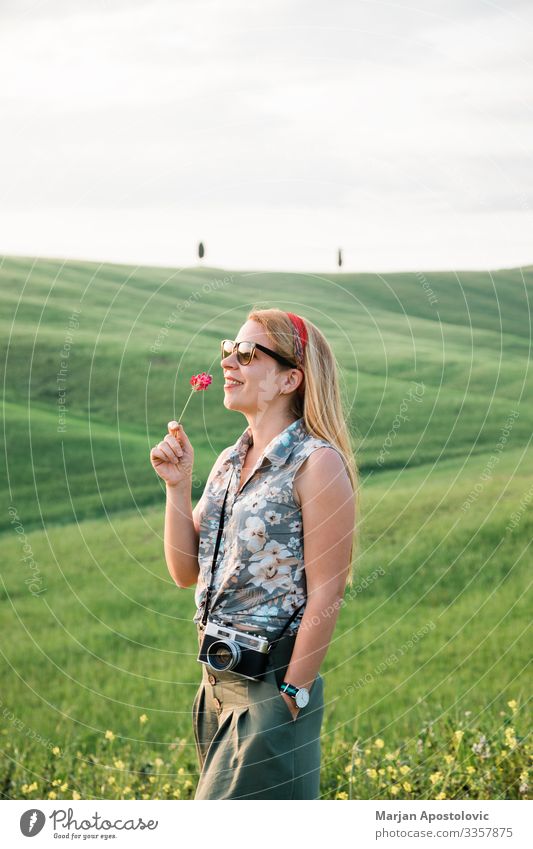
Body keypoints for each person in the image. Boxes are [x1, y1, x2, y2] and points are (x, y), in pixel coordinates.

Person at [150, 308, 358, 799]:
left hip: (271, 687)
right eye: (228, 349)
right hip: (214, 688)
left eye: (246, 354)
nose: (228, 362)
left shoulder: (317, 464)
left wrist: (292, 694)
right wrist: (177, 488)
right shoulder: (228, 460)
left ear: (290, 378)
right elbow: (184, 572)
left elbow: (329, 587)